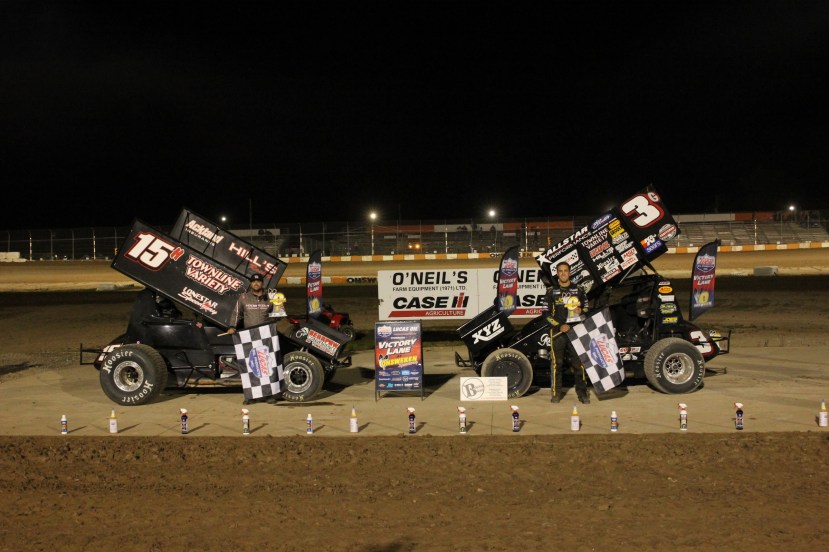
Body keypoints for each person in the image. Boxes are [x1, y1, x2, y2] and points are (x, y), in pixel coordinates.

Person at [542, 261, 591, 404]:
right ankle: (556, 394)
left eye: (566, 270)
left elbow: (587, 308)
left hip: (575, 332)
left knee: (578, 364)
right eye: (560, 271)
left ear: (569, 272)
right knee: (557, 364)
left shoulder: (579, 289)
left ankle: (582, 393)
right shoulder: (551, 291)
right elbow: (545, 314)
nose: (563, 273)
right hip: (558, 333)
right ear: (557, 273)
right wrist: (559, 326)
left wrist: (581, 310)